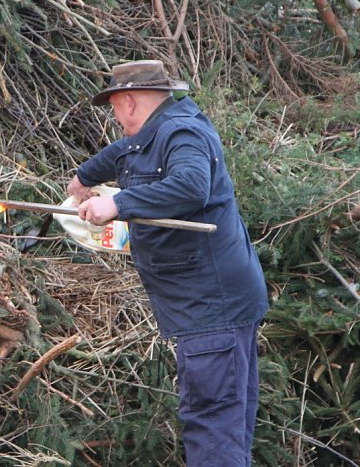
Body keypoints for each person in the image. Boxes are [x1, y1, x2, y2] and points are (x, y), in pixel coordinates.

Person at [67, 60, 269, 466]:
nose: (117, 120)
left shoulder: (183, 133)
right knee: (226, 424)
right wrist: (85, 176)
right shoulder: (161, 128)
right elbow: (127, 151)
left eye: (114, 110)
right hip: (217, 305)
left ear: (126, 103)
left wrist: (117, 203)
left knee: (212, 424)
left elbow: (191, 186)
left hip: (212, 312)